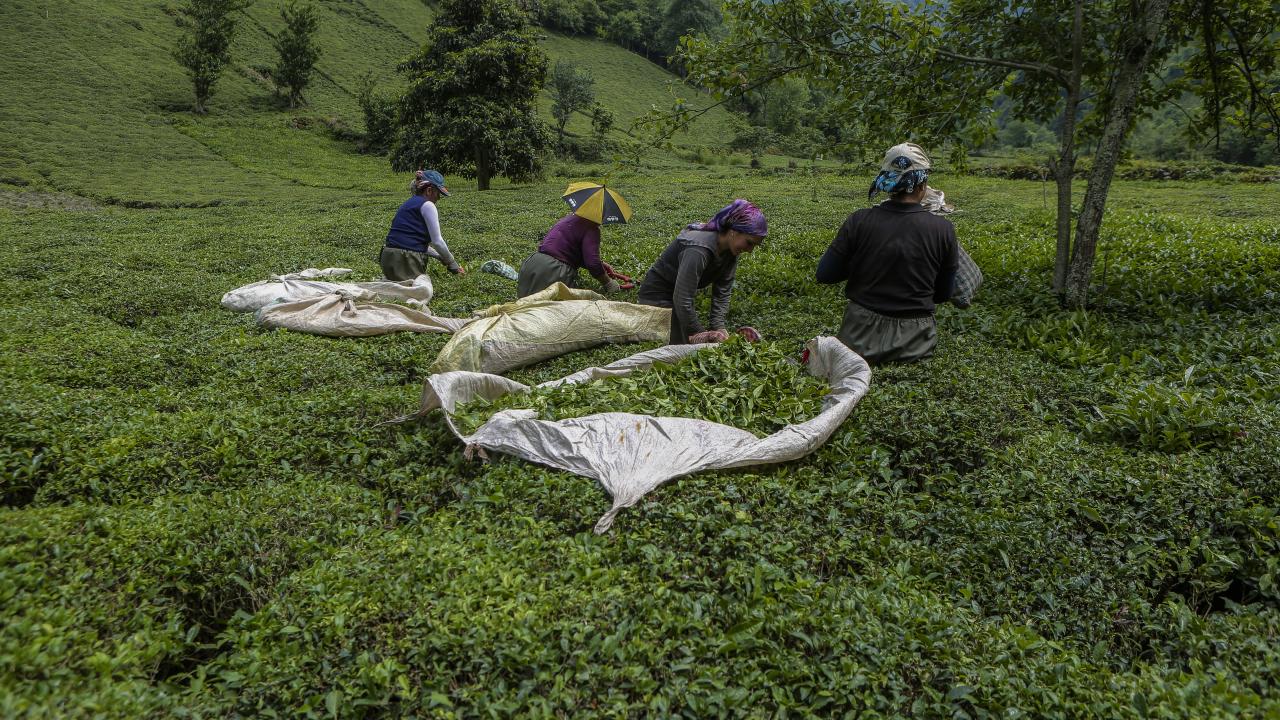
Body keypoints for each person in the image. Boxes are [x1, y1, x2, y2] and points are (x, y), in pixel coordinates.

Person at [815, 142, 959, 364]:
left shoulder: (859, 221)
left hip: (858, 339)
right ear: (922, 185)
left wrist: (862, 262)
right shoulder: (943, 230)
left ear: (888, 182)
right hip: (914, 345)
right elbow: (943, 294)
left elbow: (825, 275)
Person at [637, 199, 767, 345]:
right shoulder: (698, 250)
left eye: (754, 246)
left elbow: (722, 292)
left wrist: (718, 326)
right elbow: (682, 298)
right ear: (733, 232)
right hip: (657, 296)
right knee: (683, 348)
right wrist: (699, 333)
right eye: (749, 242)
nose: (750, 250)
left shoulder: (731, 251)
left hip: (678, 296)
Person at [380, 169, 466, 281]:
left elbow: (412, 242)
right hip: (405, 259)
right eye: (438, 193)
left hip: (388, 257)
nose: (438, 198)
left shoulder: (408, 203)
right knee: (416, 292)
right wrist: (453, 263)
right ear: (429, 190)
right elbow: (437, 242)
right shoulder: (428, 205)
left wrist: (441, 257)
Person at [517, 213, 620, 298]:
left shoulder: (568, 219)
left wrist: (601, 265)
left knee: (526, 302)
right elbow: (592, 264)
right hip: (553, 271)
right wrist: (609, 283)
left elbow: (569, 251)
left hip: (531, 265)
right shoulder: (591, 228)